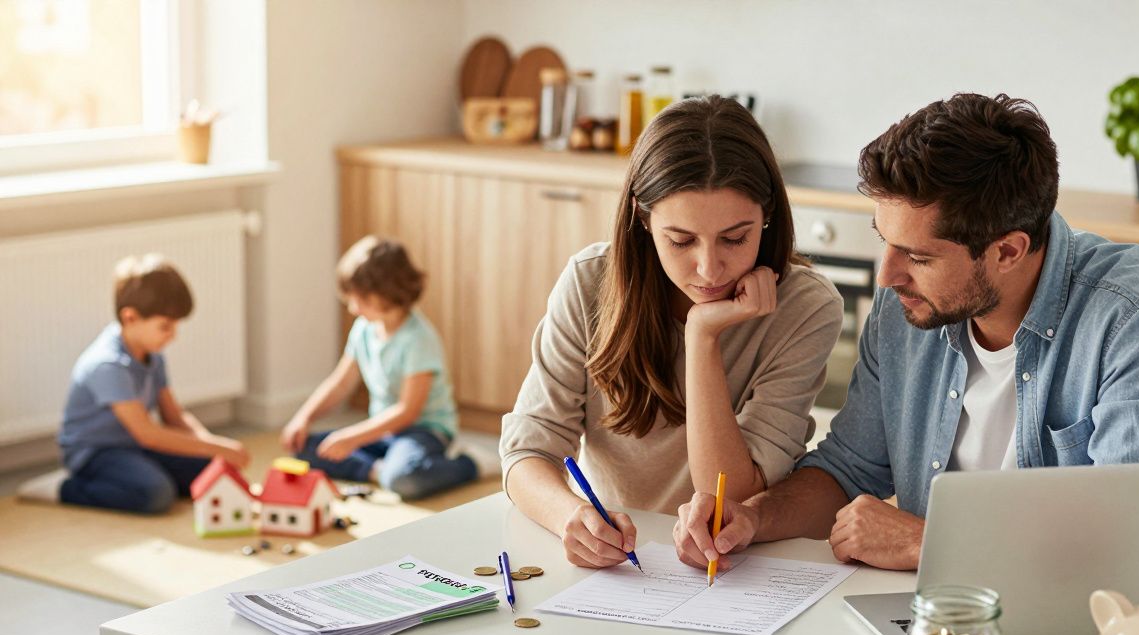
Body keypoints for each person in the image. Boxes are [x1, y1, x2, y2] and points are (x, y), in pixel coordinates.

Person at [673, 93, 1139, 571]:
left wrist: (932, 541)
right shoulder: (907, 309)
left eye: (917, 256)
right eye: (883, 240)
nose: (887, 276)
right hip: (930, 617)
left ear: (1008, 251)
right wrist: (752, 518)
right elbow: (847, 469)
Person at [500, 96, 844, 568]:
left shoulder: (806, 308)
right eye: (680, 241)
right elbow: (527, 449)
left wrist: (702, 337)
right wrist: (571, 518)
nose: (709, 267)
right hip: (622, 564)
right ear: (643, 218)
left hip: (738, 567)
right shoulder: (589, 281)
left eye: (735, 238)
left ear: (767, 215)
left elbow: (728, 498)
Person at [41, 255, 250, 513]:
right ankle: (65, 487)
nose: (173, 335)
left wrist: (212, 448)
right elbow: (148, 434)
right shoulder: (108, 365)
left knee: (210, 473)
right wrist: (217, 447)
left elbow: (173, 416)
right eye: (165, 326)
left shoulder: (153, 355)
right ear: (130, 318)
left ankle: (146, 472)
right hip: (96, 453)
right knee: (156, 494)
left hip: (134, 447)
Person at [282, 236, 478, 499]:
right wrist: (304, 417)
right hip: (382, 431)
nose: (353, 308)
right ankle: (378, 471)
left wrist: (352, 438)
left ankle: (469, 464)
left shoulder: (418, 339)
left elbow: (408, 412)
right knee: (305, 449)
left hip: (422, 432)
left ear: (387, 293)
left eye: (360, 300)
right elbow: (340, 383)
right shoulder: (364, 329)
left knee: (405, 480)